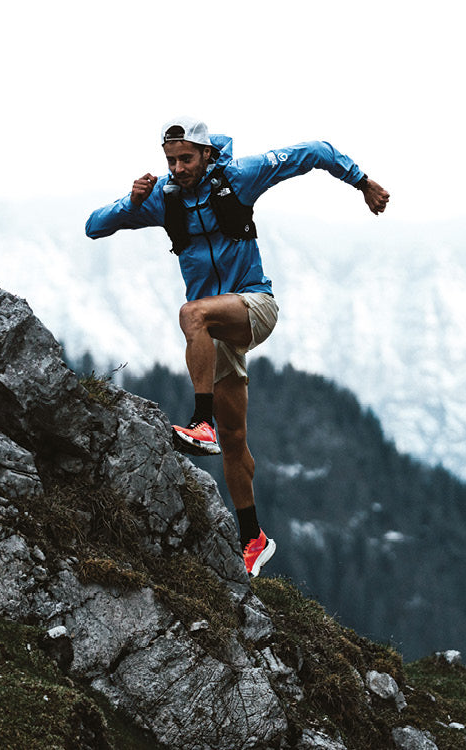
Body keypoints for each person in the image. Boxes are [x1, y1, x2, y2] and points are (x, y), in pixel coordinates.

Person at [84, 116, 390, 576]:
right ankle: (253, 537)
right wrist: (130, 202)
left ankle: (199, 421)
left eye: (186, 158)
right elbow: (93, 226)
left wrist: (362, 182)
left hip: (253, 305)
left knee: (192, 312)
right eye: (171, 160)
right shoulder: (164, 202)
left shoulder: (240, 176)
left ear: (207, 153)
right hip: (215, 333)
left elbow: (316, 151)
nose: (178, 168)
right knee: (234, 440)